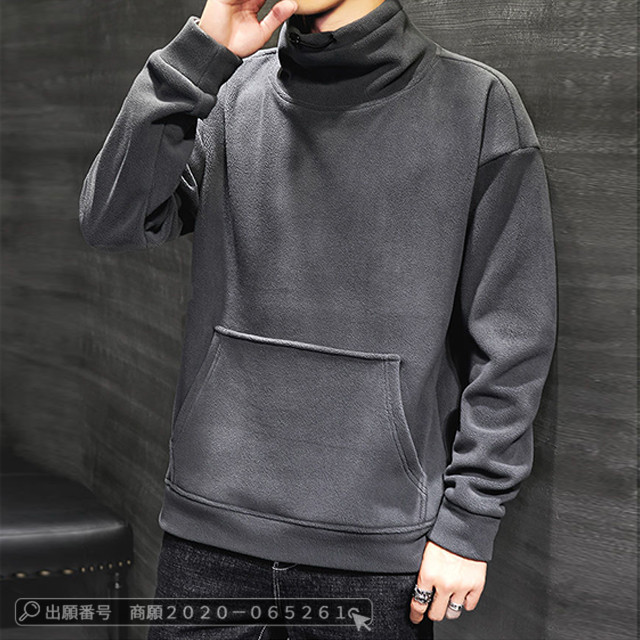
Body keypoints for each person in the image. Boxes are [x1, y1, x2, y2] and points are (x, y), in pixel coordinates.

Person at [78, 0, 558, 637]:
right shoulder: (231, 93)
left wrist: (470, 521)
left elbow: (514, 341)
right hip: (209, 541)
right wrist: (197, 56)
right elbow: (113, 220)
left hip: (375, 560)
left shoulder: (477, 106)